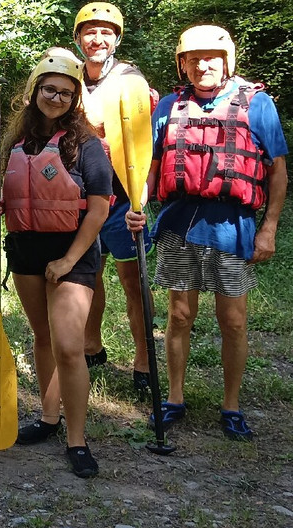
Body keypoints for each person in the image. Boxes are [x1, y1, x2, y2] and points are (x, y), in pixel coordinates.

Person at [127, 25, 287, 440]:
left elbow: (277, 173)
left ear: (227, 60)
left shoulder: (258, 104)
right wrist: (138, 203)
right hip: (180, 225)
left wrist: (268, 228)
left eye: (210, 57)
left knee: (233, 321)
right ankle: (174, 398)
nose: (202, 65)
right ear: (182, 64)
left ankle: (230, 405)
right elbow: (151, 163)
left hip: (232, 227)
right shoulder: (168, 106)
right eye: (193, 59)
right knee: (179, 316)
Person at [0, 52, 112, 478]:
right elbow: (13, 192)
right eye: (48, 89)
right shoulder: (16, 143)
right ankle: (49, 415)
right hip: (26, 250)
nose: (55, 97)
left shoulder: (88, 145)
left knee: (69, 346)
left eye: (65, 91)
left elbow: (97, 210)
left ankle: (77, 440)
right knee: (42, 337)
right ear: (34, 92)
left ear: (75, 97)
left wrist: (69, 259)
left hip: (71, 253)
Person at [72, 2, 153, 393]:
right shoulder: (67, 77)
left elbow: (144, 144)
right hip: (81, 198)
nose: (97, 38)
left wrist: (141, 198)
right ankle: (91, 345)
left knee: (132, 280)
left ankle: (143, 359)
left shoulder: (130, 81)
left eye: (106, 32)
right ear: (78, 38)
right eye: (90, 31)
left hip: (121, 198)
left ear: (116, 38)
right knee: (90, 273)